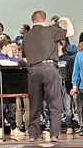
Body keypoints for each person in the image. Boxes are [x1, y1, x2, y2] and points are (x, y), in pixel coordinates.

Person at [21, 10, 70, 141]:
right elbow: (70, 32)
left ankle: (33, 135)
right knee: (54, 102)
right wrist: (67, 21)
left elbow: (24, 57)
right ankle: (54, 134)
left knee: (34, 104)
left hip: (33, 69)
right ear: (45, 20)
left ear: (32, 21)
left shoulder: (26, 36)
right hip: (50, 68)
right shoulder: (50, 30)